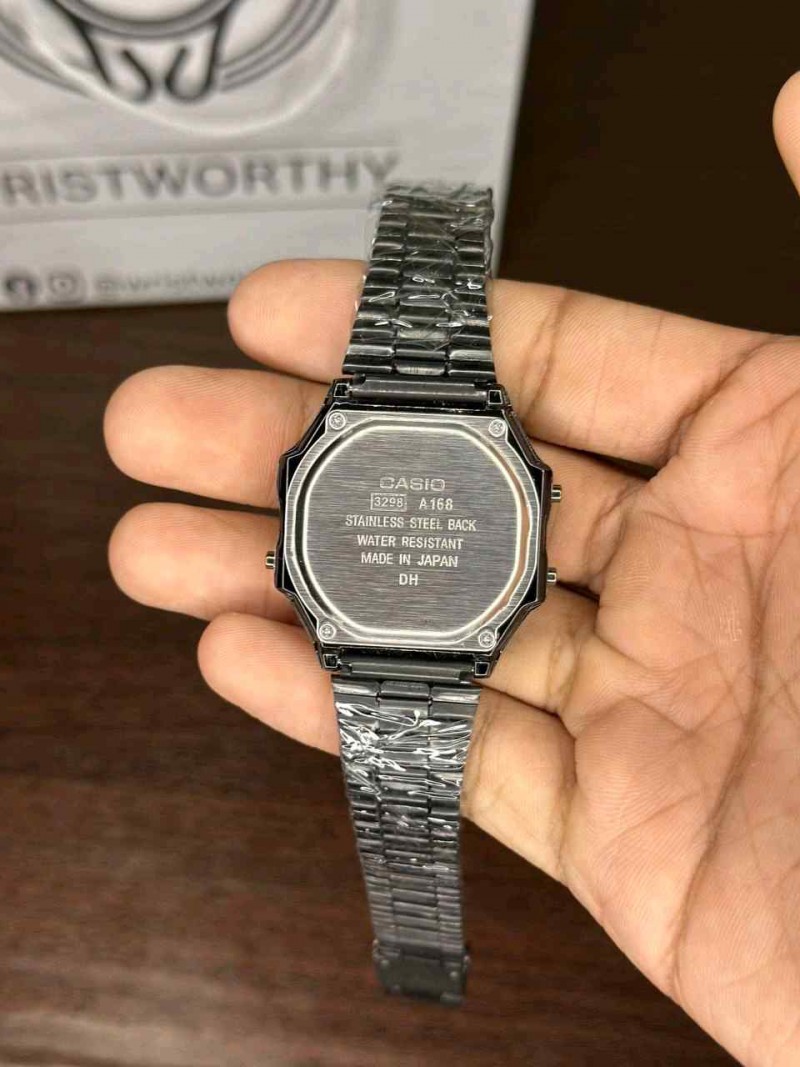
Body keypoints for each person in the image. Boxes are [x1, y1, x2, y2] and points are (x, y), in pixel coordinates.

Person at [103, 73, 800, 1066]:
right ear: (295, 502)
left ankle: (420, 950)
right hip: (388, 628)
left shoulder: (448, 490)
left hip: (406, 626)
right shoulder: (435, 485)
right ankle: (417, 951)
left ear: (534, 506)